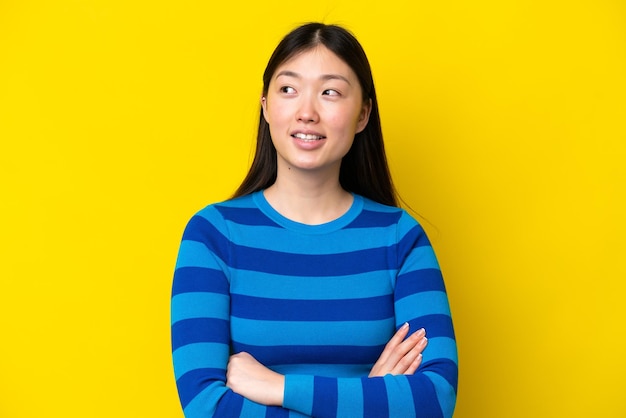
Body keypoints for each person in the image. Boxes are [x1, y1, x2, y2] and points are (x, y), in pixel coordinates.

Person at [171, 22, 458, 417]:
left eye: (330, 92)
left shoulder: (399, 237)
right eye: (288, 89)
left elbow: (435, 398)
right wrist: (367, 396)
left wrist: (278, 387)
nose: (307, 112)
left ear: (363, 114)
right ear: (266, 106)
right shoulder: (214, 236)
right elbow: (206, 407)